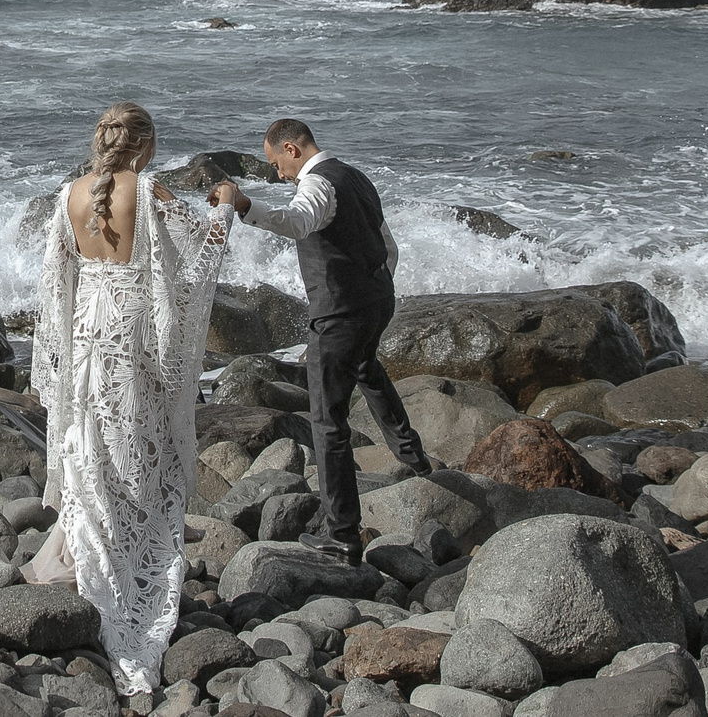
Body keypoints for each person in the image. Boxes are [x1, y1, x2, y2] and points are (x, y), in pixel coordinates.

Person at [28, 102, 236, 695]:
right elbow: (201, 253)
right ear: (142, 146)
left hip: (87, 329)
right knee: (137, 448)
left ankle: (86, 560)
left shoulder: (70, 194)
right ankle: (126, 575)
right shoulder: (149, 190)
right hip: (133, 332)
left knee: (89, 442)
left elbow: (53, 284)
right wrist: (225, 211)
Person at [213, 117, 429, 564]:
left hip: (340, 314)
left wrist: (245, 205)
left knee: (327, 421)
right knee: (367, 366)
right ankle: (413, 458)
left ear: (292, 149)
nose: (279, 174)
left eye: (277, 164)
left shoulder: (318, 186)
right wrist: (375, 287)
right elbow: (387, 245)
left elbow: (297, 221)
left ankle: (343, 535)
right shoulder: (355, 177)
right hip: (377, 301)